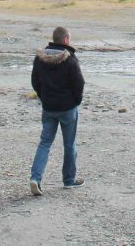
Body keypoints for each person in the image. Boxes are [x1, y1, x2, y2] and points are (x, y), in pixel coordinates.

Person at [29, 26, 85, 195]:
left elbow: (34, 81)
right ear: (66, 40)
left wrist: (43, 97)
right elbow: (79, 84)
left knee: (45, 143)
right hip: (68, 108)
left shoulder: (40, 59)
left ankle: (35, 178)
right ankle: (69, 180)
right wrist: (76, 101)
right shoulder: (70, 60)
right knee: (69, 145)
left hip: (49, 107)